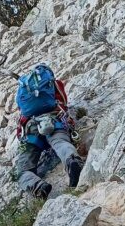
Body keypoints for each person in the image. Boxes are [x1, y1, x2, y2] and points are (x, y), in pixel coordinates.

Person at [14, 64, 83, 199]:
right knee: (60, 142)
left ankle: (37, 186)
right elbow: (63, 101)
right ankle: (71, 160)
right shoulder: (54, 84)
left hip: (31, 130)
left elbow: (22, 114)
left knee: (22, 170)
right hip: (53, 120)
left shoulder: (24, 91)